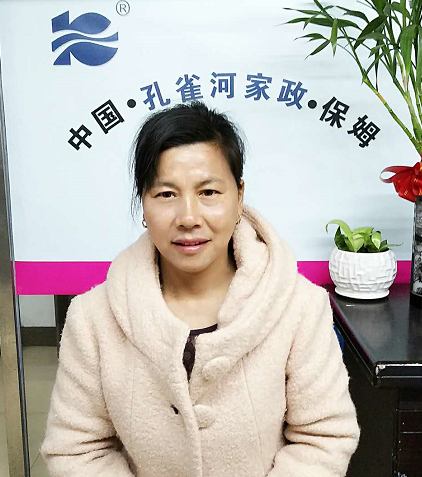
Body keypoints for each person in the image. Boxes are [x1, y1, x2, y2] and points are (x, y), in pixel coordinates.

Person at [41, 101, 360, 477]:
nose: (188, 217)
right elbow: (76, 448)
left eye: (208, 192)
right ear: (143, 203)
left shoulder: (300, 306)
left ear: (239, 196)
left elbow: (322, 439)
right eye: (166, 194)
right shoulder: (92, 318)